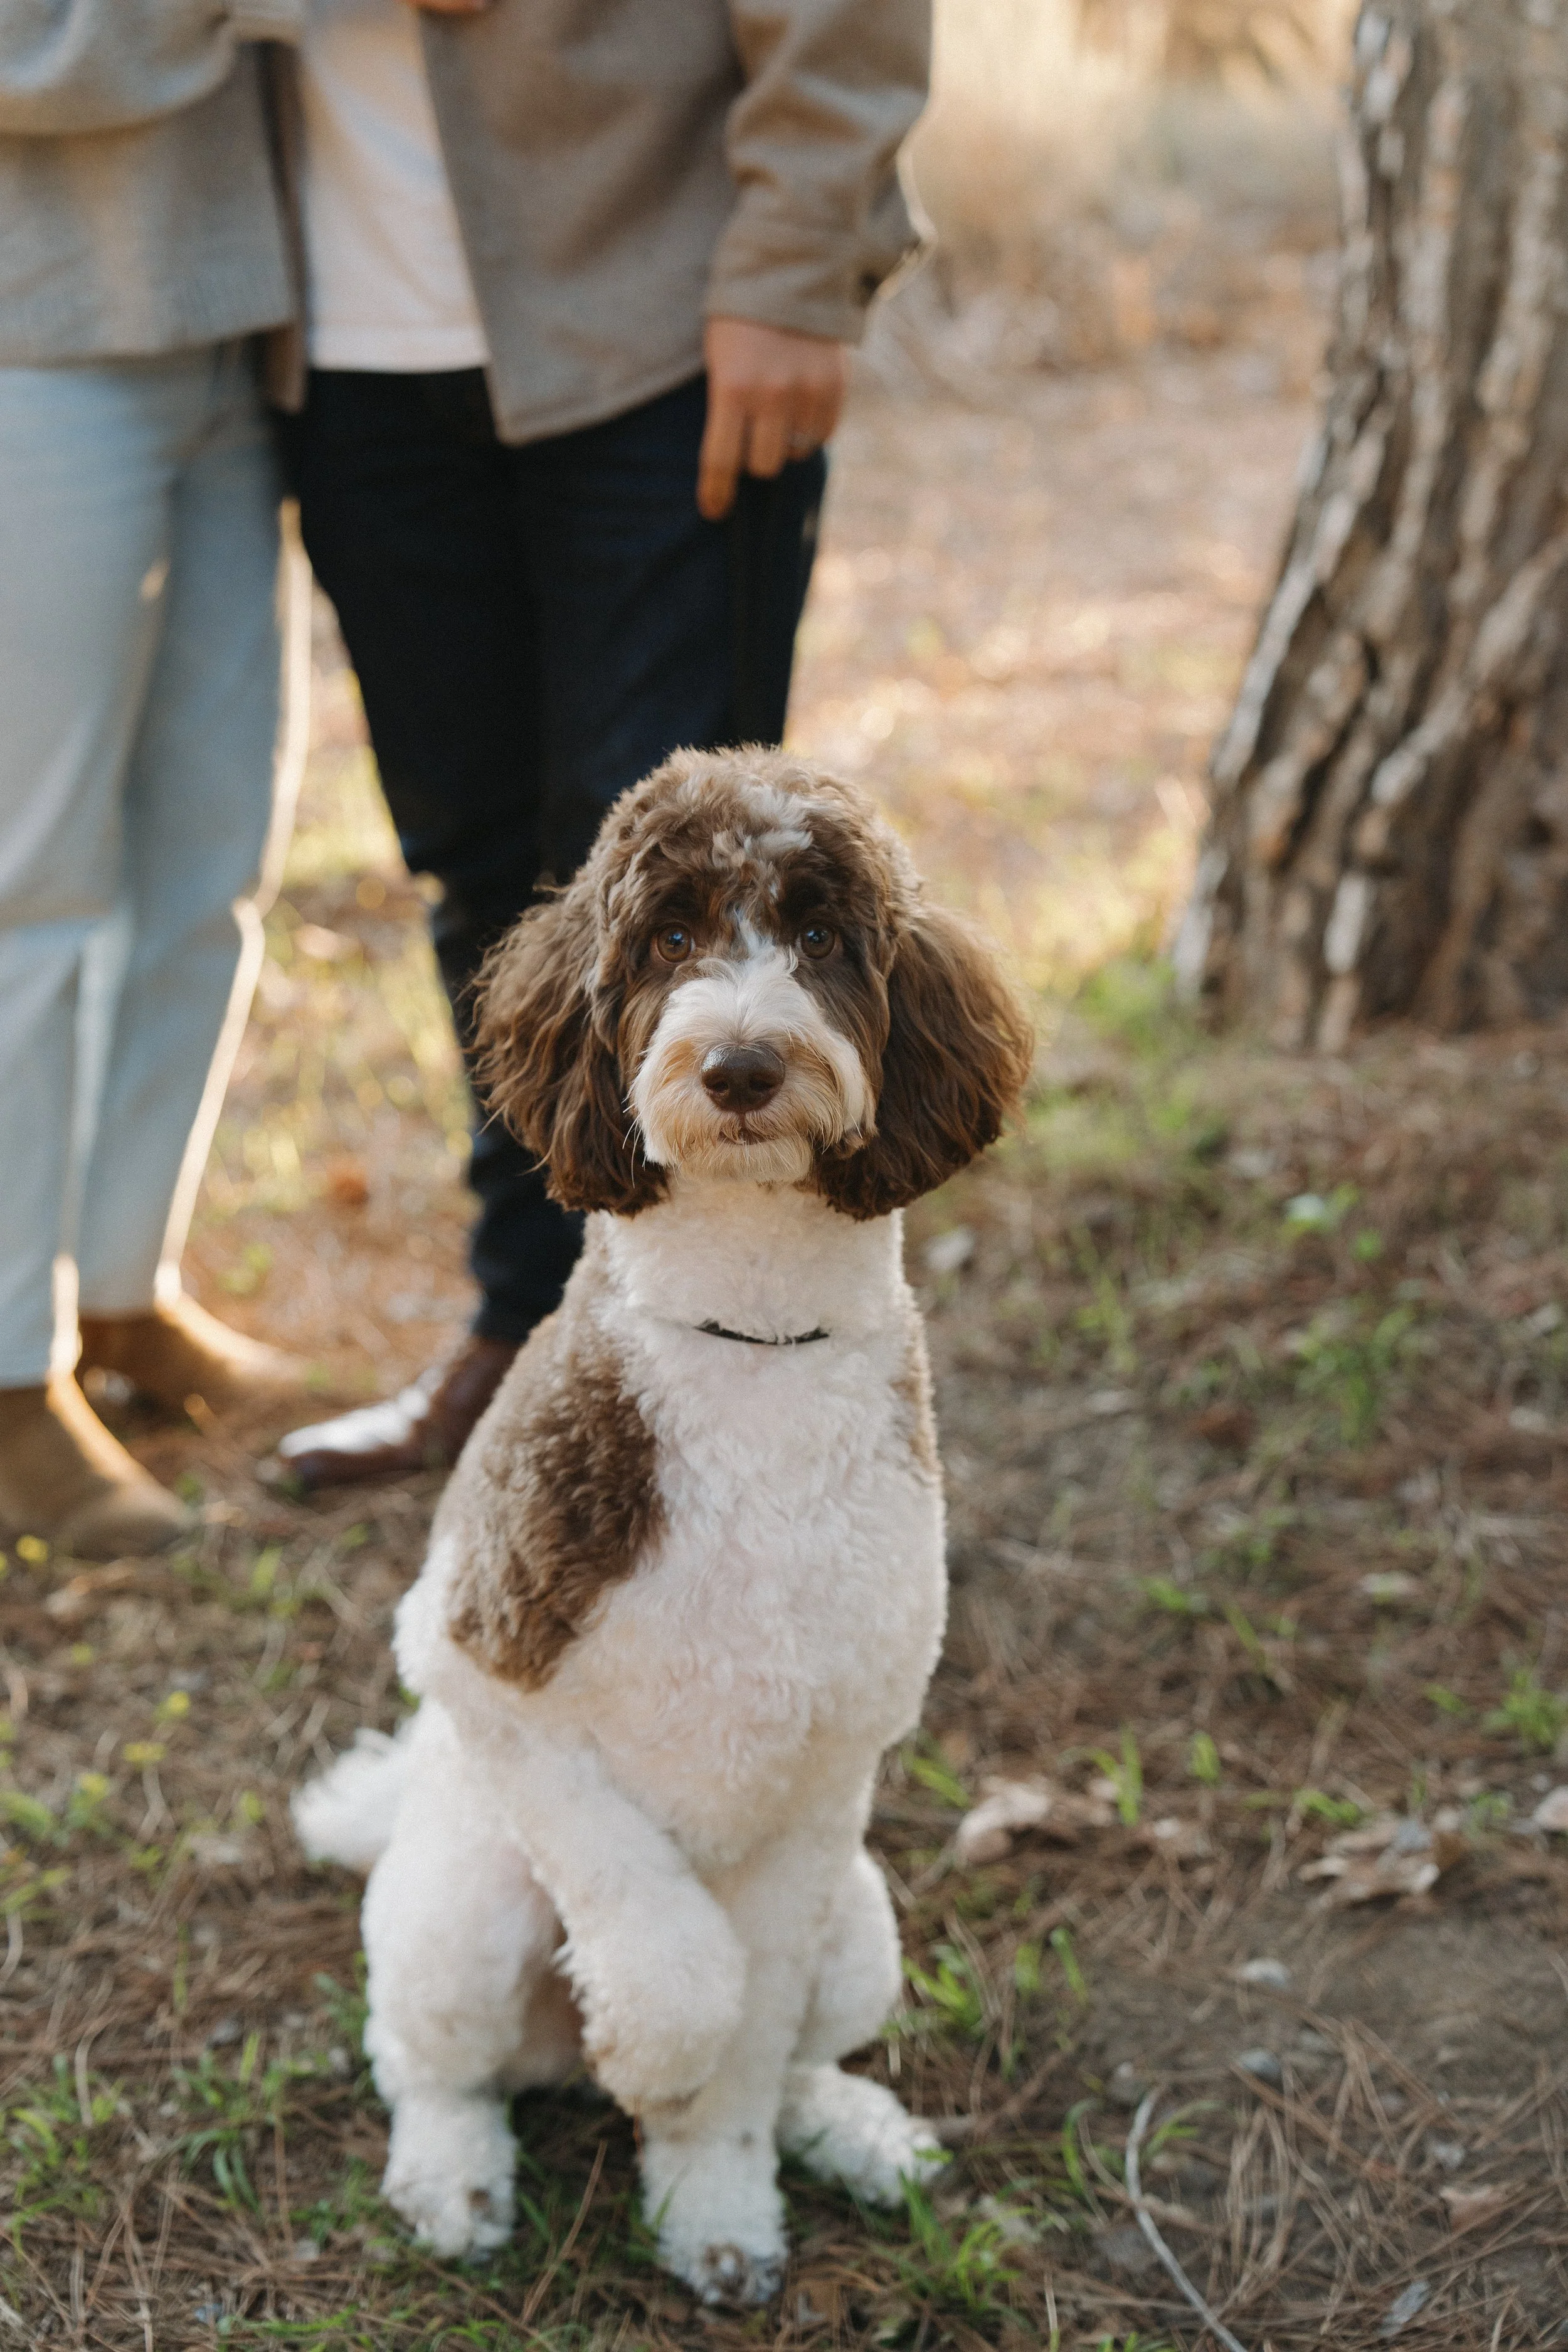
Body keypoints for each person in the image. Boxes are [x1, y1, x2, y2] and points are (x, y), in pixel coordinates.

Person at [268, 0, 931, 1490]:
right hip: (342, 349)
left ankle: (762, 1373)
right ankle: (532, 1336)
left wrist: (795, 261)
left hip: (659, 311)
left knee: (683, 875)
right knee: (478, 869)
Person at [0, 6, 311, 1559]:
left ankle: (122, 1287)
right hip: (30, 337)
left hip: (226, 325)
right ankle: (5, 1384)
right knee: (27, 886)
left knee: (214, 854)